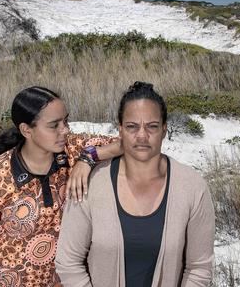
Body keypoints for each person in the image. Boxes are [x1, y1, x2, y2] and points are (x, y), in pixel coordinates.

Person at [55, 82, 215, 286]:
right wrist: (87, 158)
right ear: (120, 129)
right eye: (132, 126)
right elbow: (68, 262)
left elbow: (199, 268)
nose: (142, 135)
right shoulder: (91, 184)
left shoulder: (193, 187)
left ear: (164, 129)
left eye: (152, 126)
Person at [0, 86, 120, 287]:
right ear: (26, 130)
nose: (65, 130)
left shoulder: (71, 151)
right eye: (54, 125)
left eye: (65, 121)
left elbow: (130, 142)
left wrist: (88, 158)